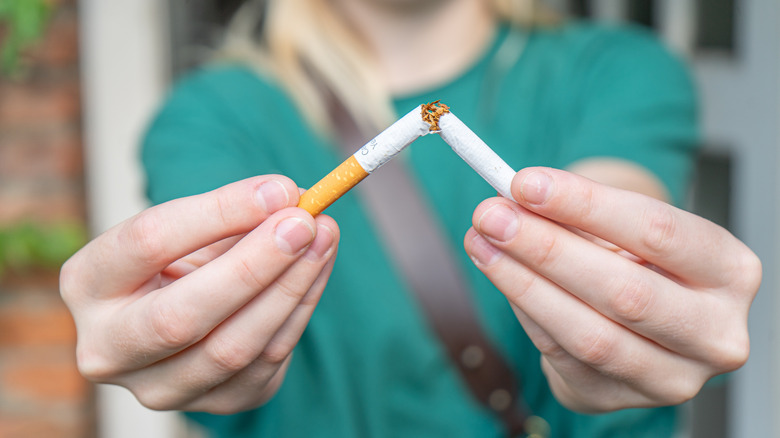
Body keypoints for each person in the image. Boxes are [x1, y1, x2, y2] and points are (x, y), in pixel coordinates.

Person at [60, 0, 761, 436]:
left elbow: (614, 196)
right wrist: (176, 319)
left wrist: (629, 295)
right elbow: (198, 278)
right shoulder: (213, 113)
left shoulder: (617, 71)